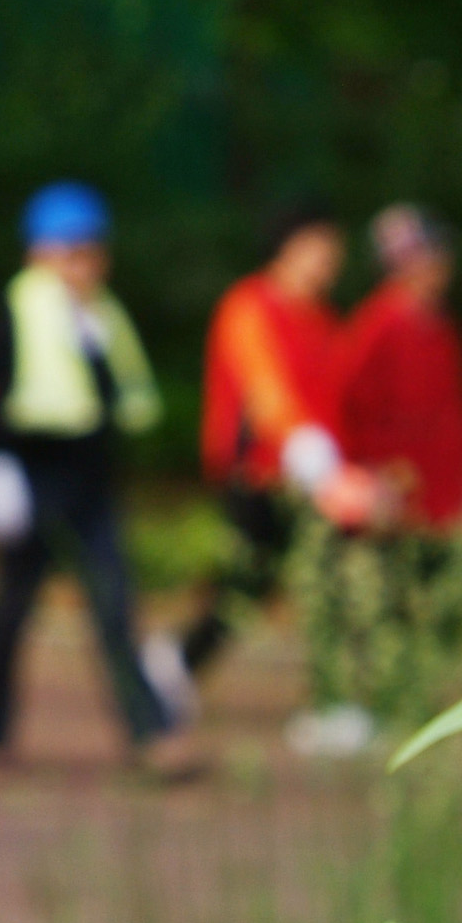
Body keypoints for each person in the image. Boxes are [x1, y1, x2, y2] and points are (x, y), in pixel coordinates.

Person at [0, 181, 194, 775]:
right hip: (34, 475)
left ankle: (151, 735)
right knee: (13, 609)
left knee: (116, 607)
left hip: (92, 481)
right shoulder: (14, 311)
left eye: (91, 250)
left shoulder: (103, 318)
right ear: (39, 253)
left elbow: (118, 400)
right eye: (71, 250)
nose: (84, 263)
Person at [143, 201, 380, 721]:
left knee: (334, 585)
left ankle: (338, 703)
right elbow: (266, 392)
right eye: (320, 245)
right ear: (288, 246)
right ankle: (176, 661)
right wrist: (319, 465)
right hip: (260, 475)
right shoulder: (249, 305)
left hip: (321, 482)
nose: (330, 259)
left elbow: (339, 401)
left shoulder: (322, 318)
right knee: (248, 585)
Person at [288, 203, 462, 752]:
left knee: (428, 604)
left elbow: (455, 417)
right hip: (381, 498)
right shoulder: (376, 326)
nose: (435, 266)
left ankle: (406, 709)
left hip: (436, 502)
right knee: (366, 602)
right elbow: (343, 408)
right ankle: (351, 708)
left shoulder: (442, 331)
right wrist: (361, 482)